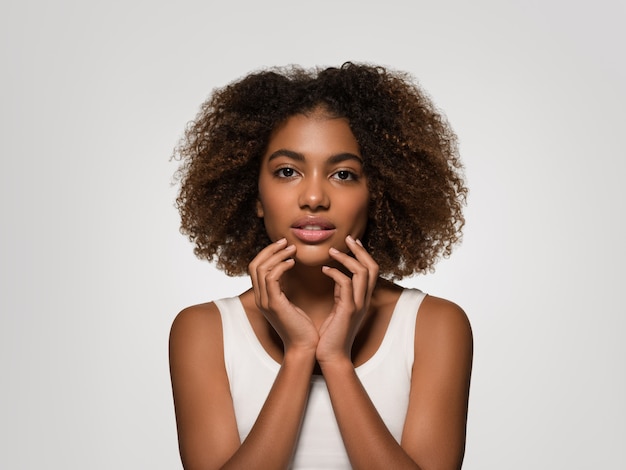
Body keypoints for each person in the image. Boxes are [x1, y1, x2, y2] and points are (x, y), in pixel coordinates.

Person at [169, 62, 473, 469]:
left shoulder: (434, 326)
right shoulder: (204, 331)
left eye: (343, 174)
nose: (314, 197)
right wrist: (298, 354)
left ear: (377, 194)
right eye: (288, 171)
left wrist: (336, 361)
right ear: (254, 194)